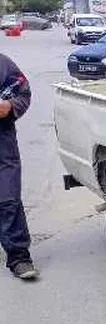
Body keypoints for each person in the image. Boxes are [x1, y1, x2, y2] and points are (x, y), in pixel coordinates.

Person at [0, 52, 37, 280]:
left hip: (1, 144)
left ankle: (19, 256)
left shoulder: (2, 64)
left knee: (8, 197)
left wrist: (10, 106)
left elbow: (23, 92)